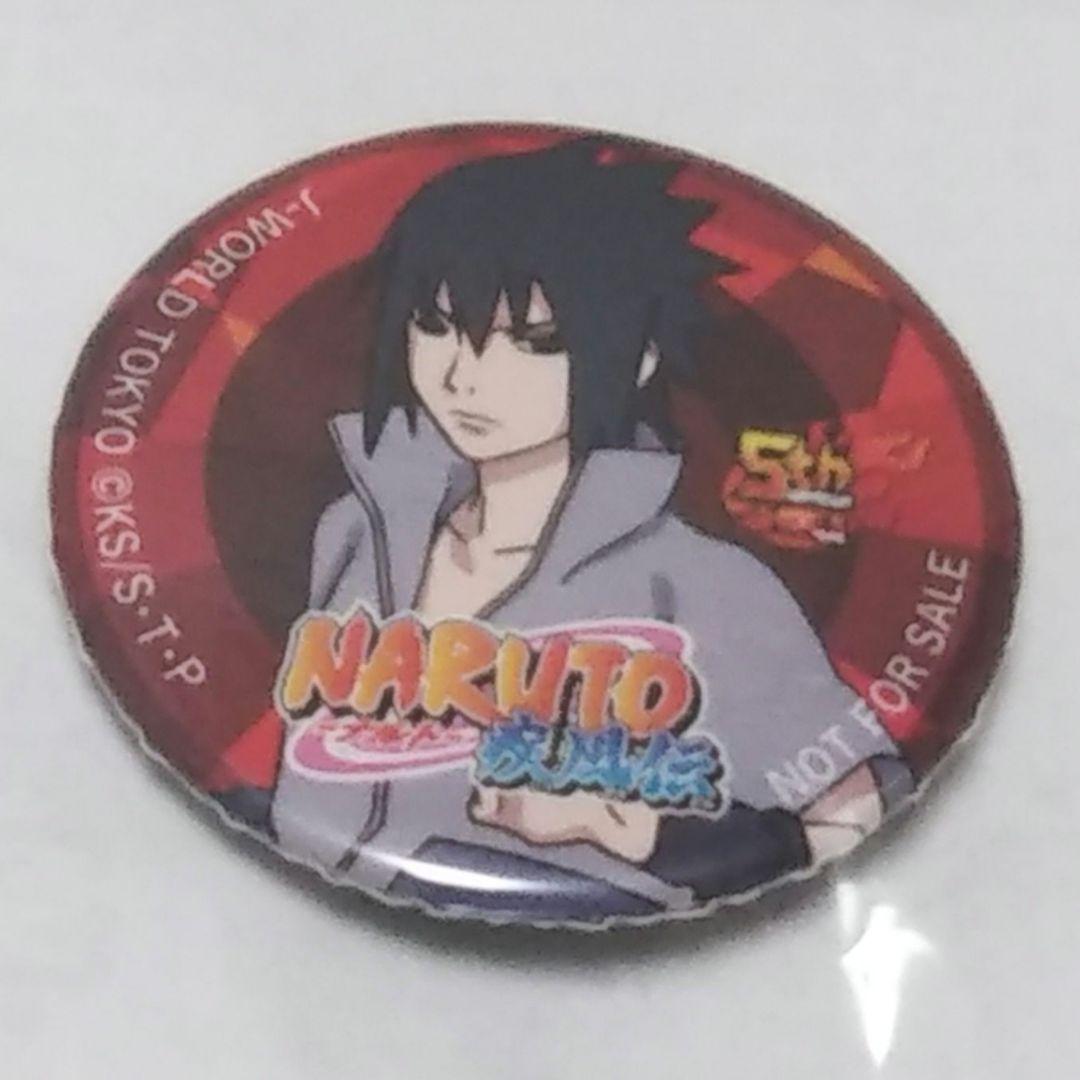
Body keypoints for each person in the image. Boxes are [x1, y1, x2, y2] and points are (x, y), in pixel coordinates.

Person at [266, 141, 912, 921]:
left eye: (534, 341)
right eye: (435, 325)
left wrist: (645, 834)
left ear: (636, 358)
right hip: (292, 926)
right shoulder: (356, 530)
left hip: (618, 966)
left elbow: (853, 801)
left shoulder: (702, 586)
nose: (465, 376)